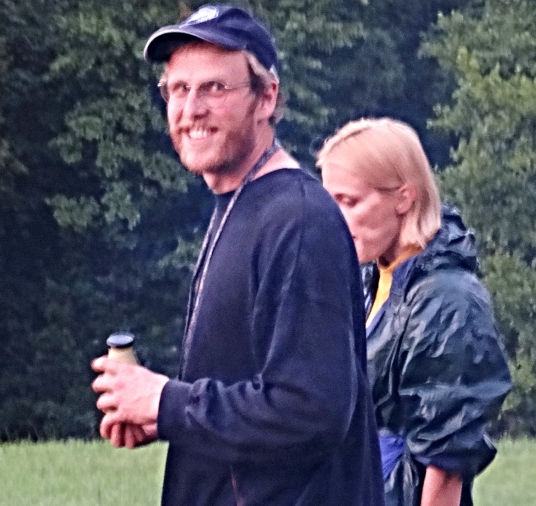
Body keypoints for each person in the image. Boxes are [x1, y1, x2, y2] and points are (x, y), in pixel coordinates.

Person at [91, 5, 384, 506]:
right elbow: (248, 392)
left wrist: (168, 402)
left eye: (214, 88)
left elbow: (310, 411)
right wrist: (160, 415)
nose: (191, 109)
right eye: (178, 89)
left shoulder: (298, 221)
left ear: (265, 97)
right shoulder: (239, 204)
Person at [317, 117, 511, 506]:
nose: (334, 218)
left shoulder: (448, 301)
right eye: (329, 201)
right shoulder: (373, 278)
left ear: (404, 198)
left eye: (349, 202)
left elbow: (447, 460)